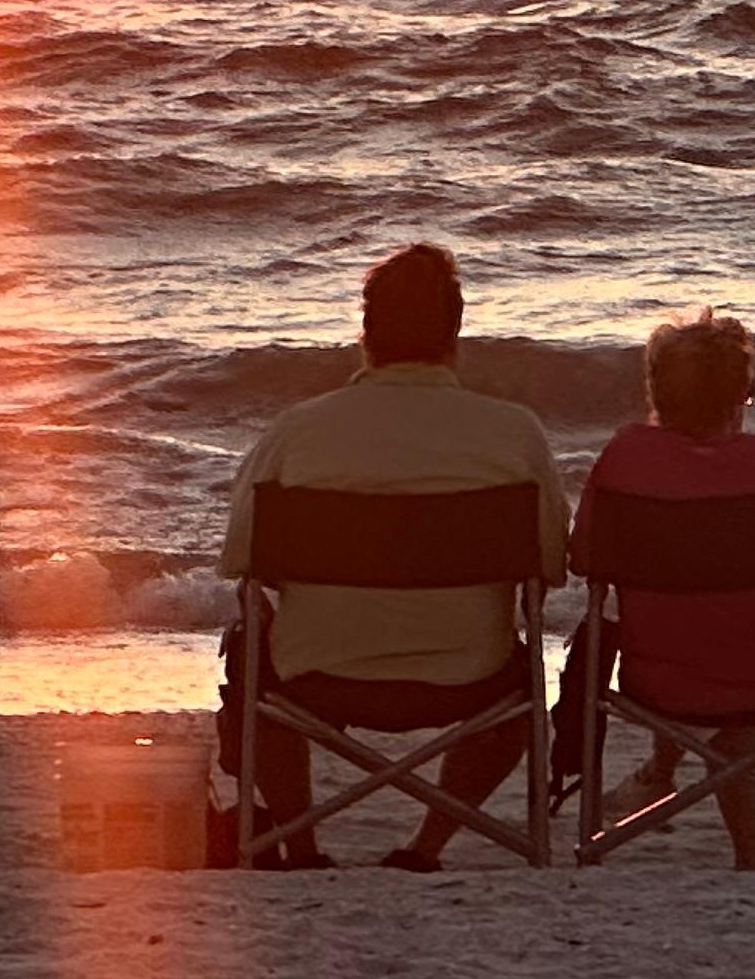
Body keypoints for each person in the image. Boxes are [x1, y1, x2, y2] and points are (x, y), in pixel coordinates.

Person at [219, 242, 562, 872]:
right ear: (453, 335)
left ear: (366, 334)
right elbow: (549, 566)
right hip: (470, 677)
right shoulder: (515, 433)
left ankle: (300, 848)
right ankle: (425, 847)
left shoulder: (298, 430)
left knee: (250, 653)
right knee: (521, 680)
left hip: (314, 674)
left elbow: (242, 560)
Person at [574, 306, 755, 874]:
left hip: (656, 675)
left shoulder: (625, 457)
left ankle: (661, 774)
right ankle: (748, 855)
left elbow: (583, 559)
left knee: (697, 634)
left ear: (657, 393)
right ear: (743, 393)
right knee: (744, 664)